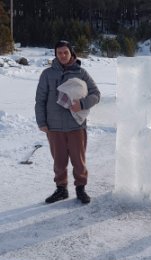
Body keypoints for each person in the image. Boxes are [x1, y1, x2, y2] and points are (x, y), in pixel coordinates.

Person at [35, 40, 100, 204]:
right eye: (59, 53)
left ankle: (80, 189)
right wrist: (41, 122)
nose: (63, 55)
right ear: (55, 55)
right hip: (54, 126)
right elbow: (40, 100)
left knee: (79, 160)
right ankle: (61, 189)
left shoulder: (81, 73)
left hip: (76, 126)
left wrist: (82, 104)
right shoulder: (47, 74)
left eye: (65, 52)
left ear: (71, 53)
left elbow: (96, 94)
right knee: (59, 161)